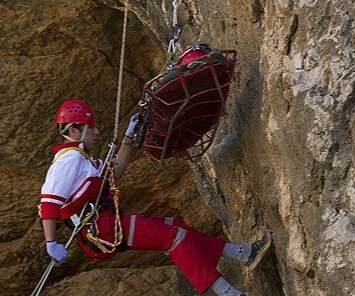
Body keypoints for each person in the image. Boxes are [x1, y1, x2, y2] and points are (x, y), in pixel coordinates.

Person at [39, 99, 271, 296]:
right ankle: (229, 292)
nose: (97, 132)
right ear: (73, 131)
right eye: (91, 128)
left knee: (174, 226)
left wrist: (128, 139)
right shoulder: (68, 161)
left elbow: (113, 173)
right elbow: (49, 203)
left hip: (107, 226)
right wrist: (51, 243)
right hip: (102, 231)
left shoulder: (81, 159)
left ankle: (242, 253)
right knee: (174, 237)